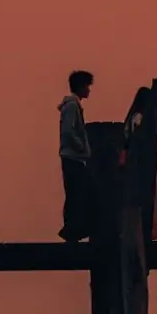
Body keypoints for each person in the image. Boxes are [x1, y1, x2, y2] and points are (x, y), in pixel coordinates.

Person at [121, 86, 157, 240]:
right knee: (151, 197)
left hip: (135, 166)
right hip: (137, 166)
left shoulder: (132, 118)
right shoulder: (139, 119)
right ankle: (150, 233)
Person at [58, 69, 94, 242]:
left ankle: (74, 229)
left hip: (72, 157)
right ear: (80, 86)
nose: (89, 90)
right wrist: (81, 148)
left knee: (76, 193)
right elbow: (68, 131)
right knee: (77, 193)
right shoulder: (72, 106)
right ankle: (72, 230)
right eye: (87, 86)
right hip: (73, 157)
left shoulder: (72, 105)